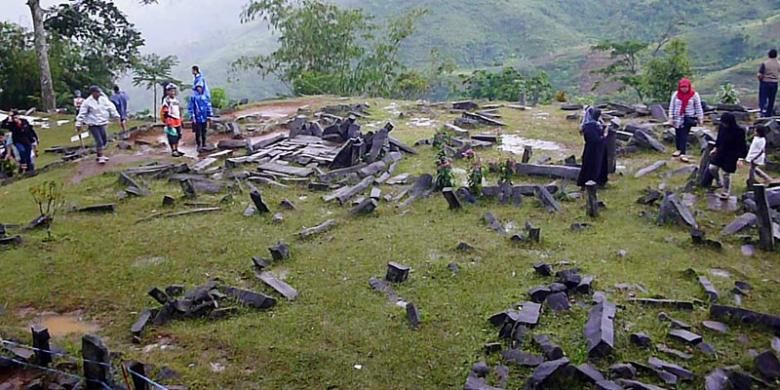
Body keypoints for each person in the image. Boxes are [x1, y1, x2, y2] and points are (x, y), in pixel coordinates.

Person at [76, 86, 120, 164]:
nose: (99, 93)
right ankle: (100, 156)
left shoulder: (103, 99)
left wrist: (116, 116)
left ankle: (100, 154)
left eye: (99, 92)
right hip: (93, 124)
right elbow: (82, 113)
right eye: (97, 92)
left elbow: (111, 107)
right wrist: (79, 123)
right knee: (99, 140)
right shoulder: (87, 102)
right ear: (93, 93)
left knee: (104, 139)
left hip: (103, 122)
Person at [708, 112, 748, 199]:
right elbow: (719, 139)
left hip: (732, 154)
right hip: (721, 151)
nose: (724, 124)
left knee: (726, 173)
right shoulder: (722, 127)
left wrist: (741, 158)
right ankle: (719, 182)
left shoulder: (739, 131)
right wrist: (715, 148)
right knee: (712, 168)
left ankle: (726, 191)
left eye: (725, 122)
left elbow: (742, 145)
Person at [669, 78, 704, 160]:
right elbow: (672, 106)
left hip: (688, 118)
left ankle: (683, 152)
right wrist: (671, 117)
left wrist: (700, 117)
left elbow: (698, 107)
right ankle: (678, 149)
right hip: (677, 117)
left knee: (684, 134)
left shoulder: (694, 95)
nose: (684, 89)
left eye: (685, 87)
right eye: (682, 87)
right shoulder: (676, 95)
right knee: (678, 133)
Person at [576, 107, 608, 187]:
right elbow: (594, 139)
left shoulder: (597, 124)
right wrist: (603, 137)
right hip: (592, 150)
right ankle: (588, 183)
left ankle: (599, 181)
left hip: (598, 149)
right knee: (591, 166)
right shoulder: (588, 126)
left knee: (598, 165)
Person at [161, 84, 184, 157]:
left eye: (174, 90)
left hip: (177, 120)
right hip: (171, 120)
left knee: (178, 135)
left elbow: (179, 109)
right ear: (167, 92)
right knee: (172, 136)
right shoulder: (167, 101)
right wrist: (167, 121)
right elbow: (165, 111)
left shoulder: (176, 101)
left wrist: (181, 118)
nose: (173, 92)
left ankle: (177, 149)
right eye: (171, 91)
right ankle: (173, 150)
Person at [189, 85, 213, 152]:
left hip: (204, 117)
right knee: (198, 132)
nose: (199, 89)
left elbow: (208, 106)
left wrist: (210, 115)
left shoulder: (205, 97)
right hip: (197, 118)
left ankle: (204, 144)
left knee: (204, 131)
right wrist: (193, 116)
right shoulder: (193, 98)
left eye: (200, 88)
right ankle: (199, 145)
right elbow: (191, 107)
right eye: (198, 88)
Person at [758, 49, 780, 118]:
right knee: (772, 99)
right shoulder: (779, 63)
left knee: (763, 98)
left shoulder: (765, 63)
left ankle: (762, 112)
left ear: (769, 55)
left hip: (765, 82)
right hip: (774, 83)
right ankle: (769, 114)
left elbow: (760, 74)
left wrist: (760, 80)